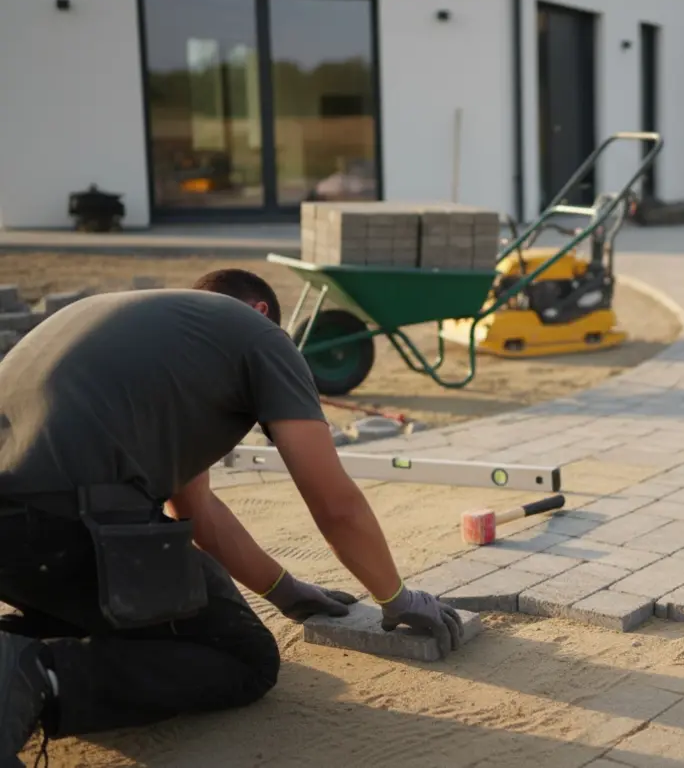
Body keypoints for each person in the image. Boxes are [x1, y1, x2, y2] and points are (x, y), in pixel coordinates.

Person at [0, 270, 463, 766]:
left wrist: (283, 589)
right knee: (243, 657)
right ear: (262, 311)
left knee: (129, 616)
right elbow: (334, 502)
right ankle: (35, 675)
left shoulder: (148, 329)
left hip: (21, 542)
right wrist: (396, 597)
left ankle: (21, 647)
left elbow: (194, 509)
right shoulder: (259, 336)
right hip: (60, 524)